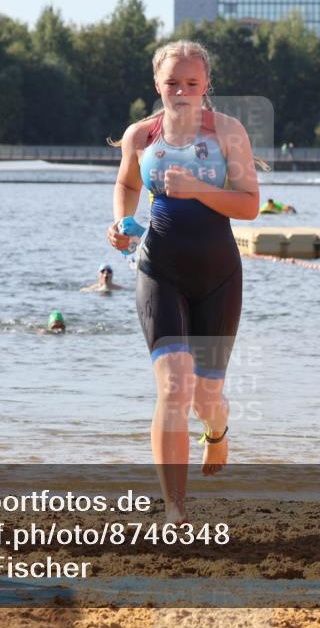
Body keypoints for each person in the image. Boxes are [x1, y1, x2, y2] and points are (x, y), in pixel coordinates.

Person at [106, 40, 261, 523]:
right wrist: (120, 222)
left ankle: (217, 432)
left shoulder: (228, 133)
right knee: (173, 387)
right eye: (172, 82)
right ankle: (175, 508)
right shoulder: (141, 135)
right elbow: (128, 184)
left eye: (191, 83)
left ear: (205, 86)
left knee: (204, 398)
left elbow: (250, 205)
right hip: (160, 271)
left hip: (217, 275)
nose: (181, 91)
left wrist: (198, 188)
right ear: (157, 84)